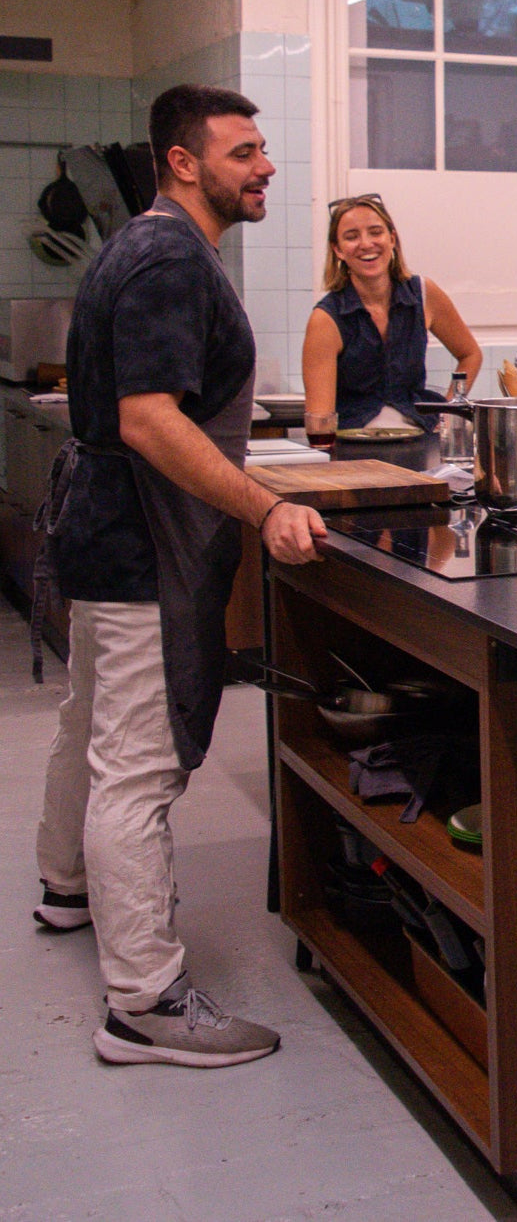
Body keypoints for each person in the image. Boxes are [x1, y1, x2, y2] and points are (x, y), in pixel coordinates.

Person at [33, 84, 327, 1069]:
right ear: (184, 162)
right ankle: (146, 1002)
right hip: (141, 545)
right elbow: (149, 418)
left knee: (90, 723)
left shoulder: (156, 248)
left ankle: (65, 883)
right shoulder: (165, 255)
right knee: (138, 767)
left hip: (104, 534)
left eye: (263, 147)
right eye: (245, 151)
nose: (266, 166)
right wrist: (266, 505)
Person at [302, 195, 481, 434]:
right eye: (351, 237)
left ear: (392, 239)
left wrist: (448, 416)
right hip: (357, 446)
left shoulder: (424, 294)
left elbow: (470, 354)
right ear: (338, 250)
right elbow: (320, 420)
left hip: (420, 436)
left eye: (376, 232)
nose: (366, 244)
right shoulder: (326, 319)